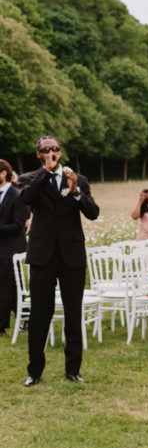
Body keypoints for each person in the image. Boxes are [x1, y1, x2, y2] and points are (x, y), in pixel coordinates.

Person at [18, 136, 100, 387]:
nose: (52, 152)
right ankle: (34, 370)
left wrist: (75, 192)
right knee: (40, 314)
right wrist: (46, 171)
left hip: (71, 254)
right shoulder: (30, 178)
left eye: (55, 149)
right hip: (42, 255)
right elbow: (26, 198)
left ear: (61, 152)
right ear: (39, 155)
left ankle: (73, 369)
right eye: (46, 149)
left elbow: (93, 212)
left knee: (73, 313)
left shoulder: (78, 179)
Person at [0, 159, 30, 336]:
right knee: (11, 288)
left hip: (12, 249)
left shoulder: (17, 196)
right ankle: (27, 317)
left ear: (3, 173)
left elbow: (18, 226)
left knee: (6, 288)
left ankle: (1, 327)